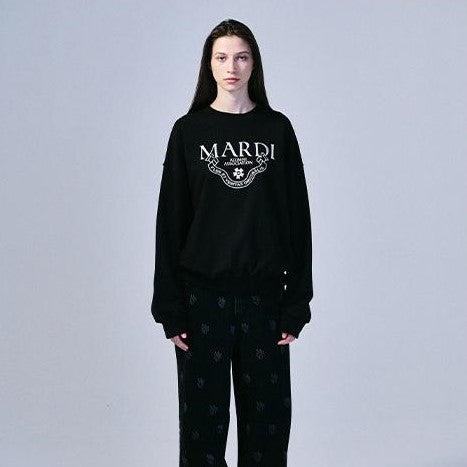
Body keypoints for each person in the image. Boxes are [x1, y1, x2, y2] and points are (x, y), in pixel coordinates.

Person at [150, 18, 314, 467]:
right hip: (201, 302)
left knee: (268, 435)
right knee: (201, 437)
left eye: (241, 57)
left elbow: (298, 222)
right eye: (221, 57)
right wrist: (169, 308)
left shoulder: (277, 130)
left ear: (254, 64)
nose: (232, 67)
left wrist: (296, 304)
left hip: (265, 301)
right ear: (208, 64)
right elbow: (170, 223)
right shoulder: (189, 132)